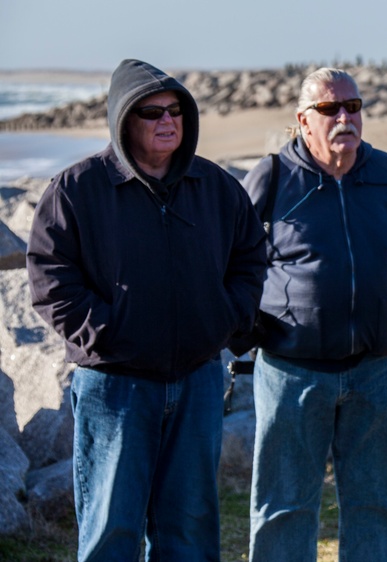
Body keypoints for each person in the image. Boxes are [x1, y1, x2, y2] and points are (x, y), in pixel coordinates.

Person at [25, 59, 267, 561]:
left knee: (191, 530)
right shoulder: (76, 190)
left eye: (175, 110)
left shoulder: (217, 187)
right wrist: (110, 333)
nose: (167, 121)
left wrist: (225, 319)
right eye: (151, 112)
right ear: (122, 120)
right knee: (112, 528)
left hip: (198, 380)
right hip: (115, 386)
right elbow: (51, 281)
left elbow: (250, 259)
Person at [242, 67, 387, 562]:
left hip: (373, 371)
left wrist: (385, 318)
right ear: (303, 120)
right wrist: (253, 327)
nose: (344, 117)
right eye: (329, 108)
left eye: (353, 106)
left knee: (377, 505)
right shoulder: (272, 177)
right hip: (291, 372)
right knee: (284, 508)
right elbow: (232, 263)